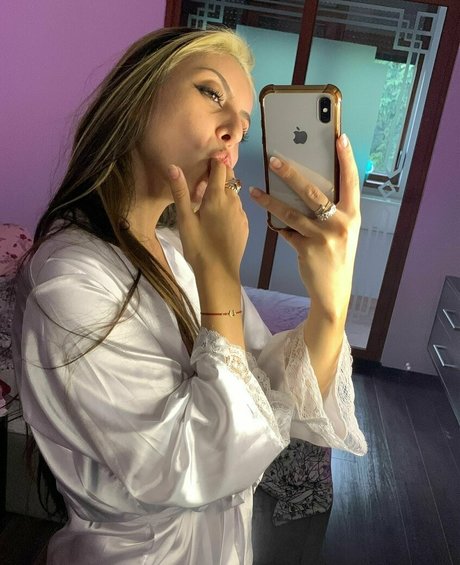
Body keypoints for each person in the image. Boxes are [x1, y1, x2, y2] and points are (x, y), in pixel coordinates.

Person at [12, 26, 367, 564]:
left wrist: (332, 301)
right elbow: (203, 460)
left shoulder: (178, 249)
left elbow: (274, 395)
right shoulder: (66, 279)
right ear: (135, 98)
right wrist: (220, 271)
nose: (232, 135)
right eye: (210, 93)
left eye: (243, 128)